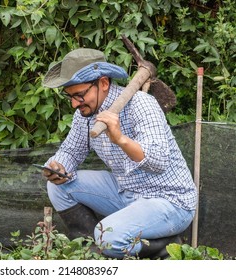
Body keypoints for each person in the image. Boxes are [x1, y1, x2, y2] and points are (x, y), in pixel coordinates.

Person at [40, 48, 197, 259]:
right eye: (70, 97)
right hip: (126, 192)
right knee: (58, 187)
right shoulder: (85, 114)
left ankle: (161, 246)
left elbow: (158, 161)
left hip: (169, 201)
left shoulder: (141, 104)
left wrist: (121, 139)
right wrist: (58, 166)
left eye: (79, 95)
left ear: (103, 83)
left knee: (108, 237)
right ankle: (92, 247)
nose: (75, 104)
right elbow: (70, 151)